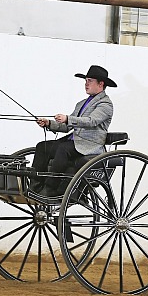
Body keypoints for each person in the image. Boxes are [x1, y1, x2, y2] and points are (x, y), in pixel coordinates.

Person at [30, 65, 116, 197]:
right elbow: (67, 126)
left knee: (63, 149)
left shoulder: (105, 104)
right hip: (74, 142)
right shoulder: (81, 103)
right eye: (85, 80)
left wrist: (68, 118)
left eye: (90, 81)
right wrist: (49, 124)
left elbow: (91, 121)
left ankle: (51, 188)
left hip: (89, 145)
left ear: (101, 84)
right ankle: (35, 185)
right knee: (42, 147)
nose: (86, 84)